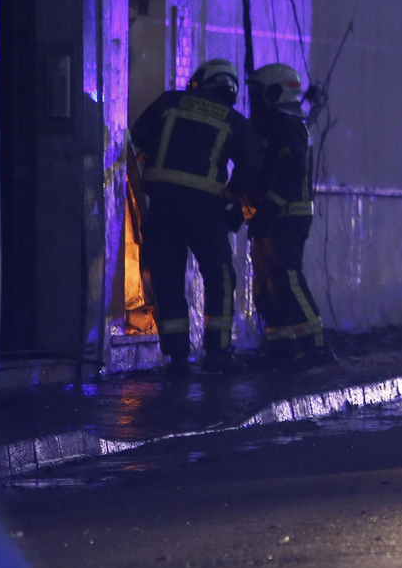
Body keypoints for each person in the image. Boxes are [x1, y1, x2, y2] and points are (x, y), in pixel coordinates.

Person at [130, 59, 261, 376]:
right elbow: (252, 167)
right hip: (204, 210)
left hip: (161, 205)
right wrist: (230, 199)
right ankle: (217, 353)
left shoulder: (169, 101)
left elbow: (138, 135)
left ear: (201, 80)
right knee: (220, 276)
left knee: (167, 277)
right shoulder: (235, 121)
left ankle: (176, 358)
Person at [245, 64, 335, 372]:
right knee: (266, 285)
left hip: (287, 217)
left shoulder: (288, 126)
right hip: (269, 217)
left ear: (274, 92)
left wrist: (266, 210)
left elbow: (290, 172)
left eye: (258, 93)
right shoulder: (273, 126)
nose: (253, 100)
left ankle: (317, 347)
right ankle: (281, 348)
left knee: (288, 279)